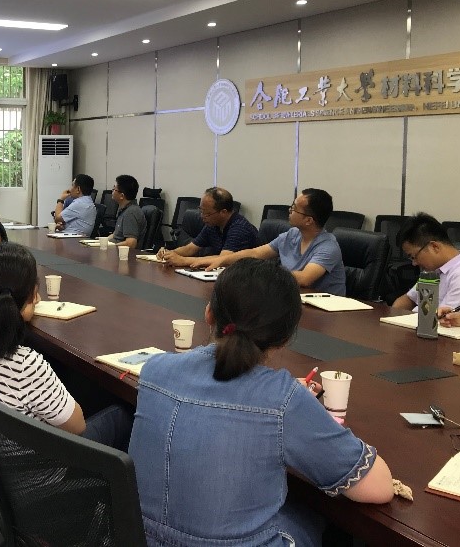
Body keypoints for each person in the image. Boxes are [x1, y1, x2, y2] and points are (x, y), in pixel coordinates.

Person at [130, 259, 394, 545]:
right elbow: (378, 488)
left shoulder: (155, 369)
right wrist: (303, 409)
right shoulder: (283, 401)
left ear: (208, 314)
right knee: (315, 517)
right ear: (285, 338)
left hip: (138, 538)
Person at [0, 242, 132, 449]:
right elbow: (77, 427)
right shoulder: (27, 365)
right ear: (33, 295)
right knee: (125, 414)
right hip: (39, 466)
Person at [195, 188, 346, 295]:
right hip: (293, 299)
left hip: (326, 314)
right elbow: (255, 253)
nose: (289, 211)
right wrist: (222, 260)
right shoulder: (292, 235)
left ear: (308, 220)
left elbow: (304, 278)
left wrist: (264, 274)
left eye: (294, 209)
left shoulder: (327, 247)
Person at [391, 212, 460, 313]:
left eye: (414, 257)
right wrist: (391, 316)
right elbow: (408, 299)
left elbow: (449, 319)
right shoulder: (433, 270)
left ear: (434, 247)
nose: (414, 263)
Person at [156, 187, 259, 267]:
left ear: (223, 212)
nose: (202, 216)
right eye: (201, 211)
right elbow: (191, 248)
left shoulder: (239, 228)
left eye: (207, 213)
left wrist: (184, 260)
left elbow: (223, 259)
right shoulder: (213, 224)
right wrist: (169, 253)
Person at [107, 174, 146, 248]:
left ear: (122, 196)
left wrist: (110, 247)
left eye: (114, 189)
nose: (112, 191)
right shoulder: (124, 210)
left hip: (120, 253)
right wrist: (101, 242)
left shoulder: (131, 213)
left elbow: (131, 243)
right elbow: (116, 235)